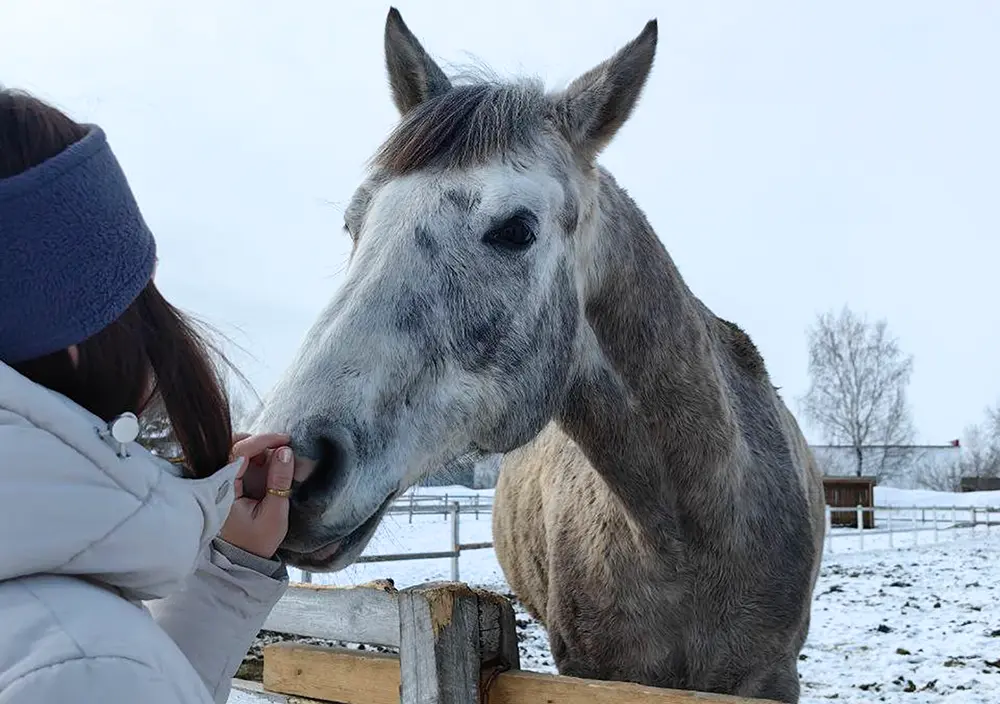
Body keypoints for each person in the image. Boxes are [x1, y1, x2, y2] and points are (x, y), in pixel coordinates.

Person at [0, 88, 296, 703]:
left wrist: (224, 580)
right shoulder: (85, 669)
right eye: (140, 300)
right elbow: (88, 673)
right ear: (75, 335)